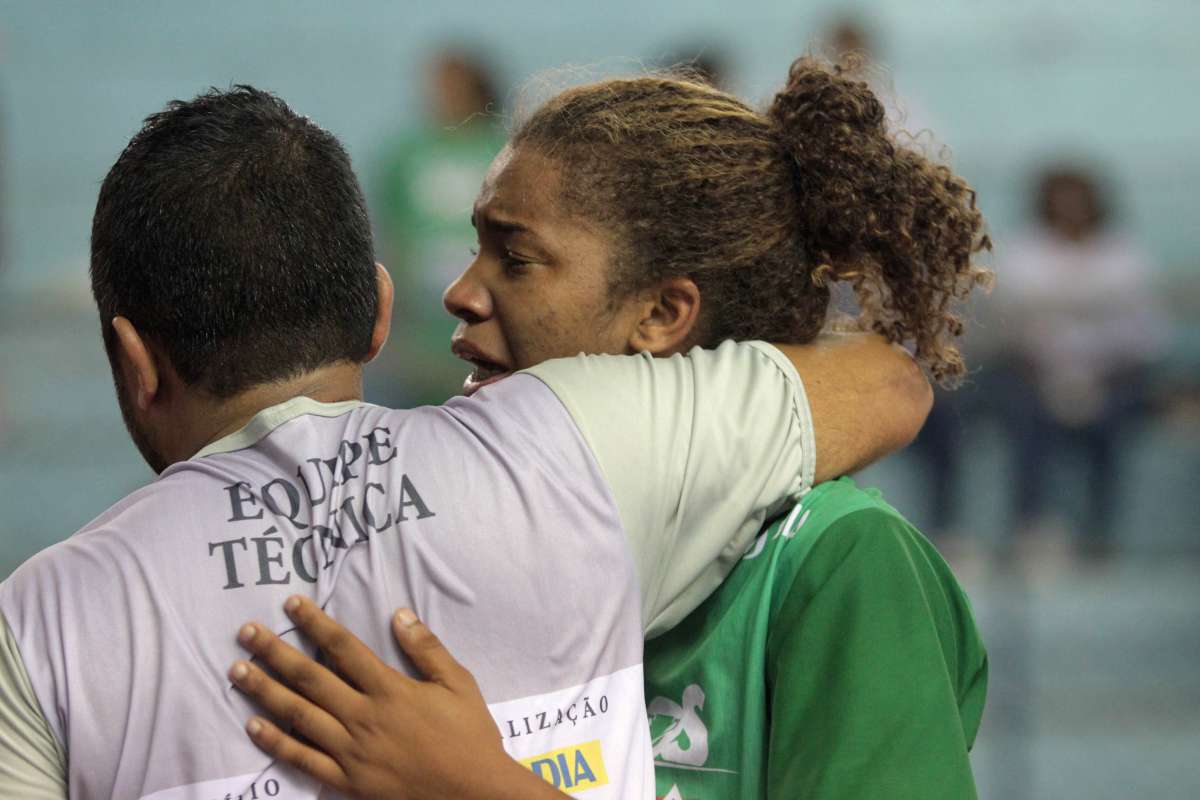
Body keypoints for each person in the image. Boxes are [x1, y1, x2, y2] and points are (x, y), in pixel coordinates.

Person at [0, 86, 925, 799]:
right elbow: (888, 380)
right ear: (377, 313)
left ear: (133, 363)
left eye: (514, 257)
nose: (461, 291)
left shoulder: (35, 625)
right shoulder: (568, 448)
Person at [230, 55, 992, 799]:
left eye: (515, 259)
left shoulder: (843, 558)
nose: (461, 292)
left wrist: (477, 786)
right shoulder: (491, 540)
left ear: (660, 314)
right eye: (473, 248)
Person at [994, 164, 1165, 557]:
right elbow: (1010, 332)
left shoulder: (1123, 254)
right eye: (1061, 199)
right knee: (1024, 418)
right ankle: (1030, 527)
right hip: (1036, 378)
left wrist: (1094, 381)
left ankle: (1101, 532)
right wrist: (1056, 380)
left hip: (1111, 378)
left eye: (1079, 199)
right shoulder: (1023, 252)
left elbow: (1144, 337)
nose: (1070, 208)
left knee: (1113, 425)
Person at [370, 48, 508, 407]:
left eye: (452, 83)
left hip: (487, 315)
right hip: (421, 327)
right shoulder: (404, 155)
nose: (441, 93)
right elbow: (390, 235)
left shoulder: (505, 152)